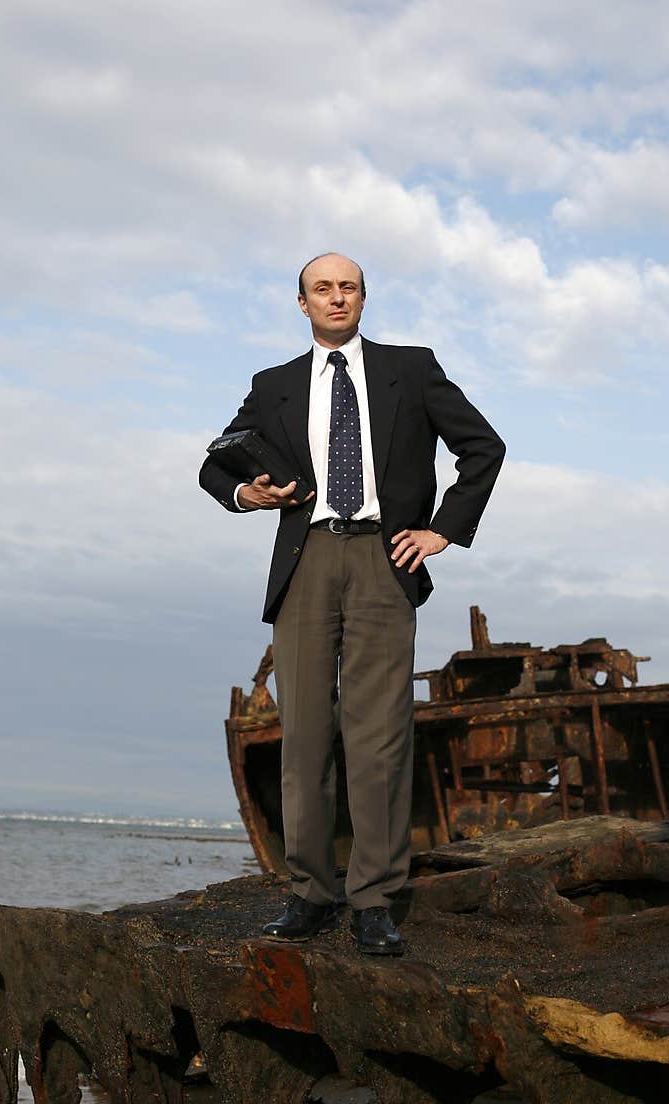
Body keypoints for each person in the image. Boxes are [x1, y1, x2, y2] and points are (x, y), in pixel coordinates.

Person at [199, 252, 505, 956]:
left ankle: (374, 900)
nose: (336, 298)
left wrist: (443, 530)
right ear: (301, 303)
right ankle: (309, 893)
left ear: (364, 298)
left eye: (349, 287)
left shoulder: (412, 367)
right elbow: (217, 464)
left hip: (383, 557)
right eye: (322, 289)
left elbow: (483, 448)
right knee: (304, 734)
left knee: (380, 737)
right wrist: (253, 495)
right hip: (305, 560)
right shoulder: (273, 385)